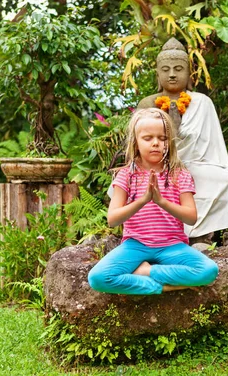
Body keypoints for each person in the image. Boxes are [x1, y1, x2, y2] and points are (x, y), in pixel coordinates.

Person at [88, 108, 219, 295]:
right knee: (98, 278)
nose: (156, 143)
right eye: (148, 138)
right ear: (135, 143)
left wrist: (161, 201)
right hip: (136, 245)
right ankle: (159, 287)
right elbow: (113, 219)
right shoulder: (126, 175)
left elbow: (191, 218)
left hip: (171, 246)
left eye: (162, 138)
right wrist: (143, 201)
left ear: (169, 143)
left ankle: (145, 272)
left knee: (208, 271)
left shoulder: (179, 174)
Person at [138, 38, 228, 241]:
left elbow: (212, 148)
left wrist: (180, 128)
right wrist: (170, 128)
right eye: (166, 69)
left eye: (178, 69)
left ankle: (202, 235)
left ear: (189, 74)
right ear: (158, 75)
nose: (172, 74)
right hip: (157, 164)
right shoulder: (148, 103)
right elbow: (137, 142)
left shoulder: (201, 103)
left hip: (194, 165)